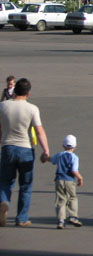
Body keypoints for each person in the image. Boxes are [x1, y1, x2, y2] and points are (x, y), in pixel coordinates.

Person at [0, 78, 50, 227]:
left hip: (7, 148)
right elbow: (39, 131)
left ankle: (3, 201)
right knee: (25, 185)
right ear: (28, 94)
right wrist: (46, 150)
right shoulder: (32, 109)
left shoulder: (2, 106)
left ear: (14, 91)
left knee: (5, 181)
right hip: (25, 149)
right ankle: (22, 218)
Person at [44, 135, 83, 230]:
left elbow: (51, 159)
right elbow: (74, 170)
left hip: (59, 179)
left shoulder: (59, 155)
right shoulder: (74, 157)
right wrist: (80, 178)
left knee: (61, 200)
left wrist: (45, 158)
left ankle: (61, 221)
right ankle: (73, 216)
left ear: (63, 145)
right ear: (75, 146)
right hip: (69, 180)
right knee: (72, 198)